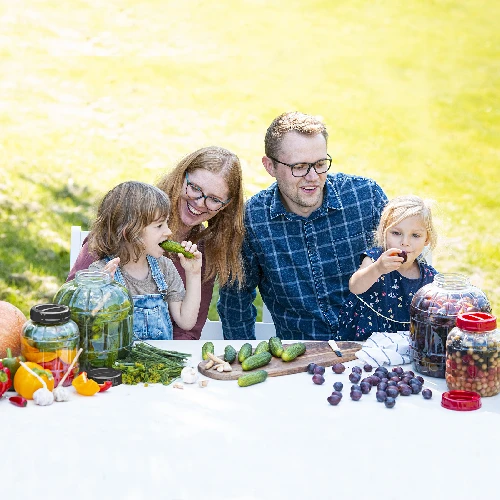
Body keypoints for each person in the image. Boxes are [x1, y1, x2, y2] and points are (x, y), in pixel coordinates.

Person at [217, 111, 388, 341]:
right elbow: (235, 302)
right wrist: (243, 360)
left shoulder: (365, 197)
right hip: (300, 357)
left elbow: (410, 272)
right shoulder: (252, 219)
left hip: (374, 349)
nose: (313, 177)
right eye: (299, 167)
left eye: (320, 164)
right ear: (270, 166)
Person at [68, 146, 245, 340]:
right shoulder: (122, 230)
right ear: (180, 177)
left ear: (225, 205)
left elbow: (188, 329)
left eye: (213, 199)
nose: (200, 203)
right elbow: (72, 311)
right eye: (195, 188)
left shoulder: (199, 253)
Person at [87, 181, 202, 340]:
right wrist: (105, 293)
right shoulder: (100, 273)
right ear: (130, 233)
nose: (168, 232)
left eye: (166, 223)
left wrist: (194, 273)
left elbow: (186, 322)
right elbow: (93, 329)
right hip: (121, 363)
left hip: (162, 362)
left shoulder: (164, 268)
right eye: (159, 225)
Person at [336, 195, 438, 341]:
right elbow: (355, 286)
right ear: (384, 232)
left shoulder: (428, 277)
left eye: (415, 235)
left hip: (403, 345)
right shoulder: (376, 259)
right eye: (396, 233)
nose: (405, 242)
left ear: (427, 239)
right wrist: (378, 269)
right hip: (364, 341)